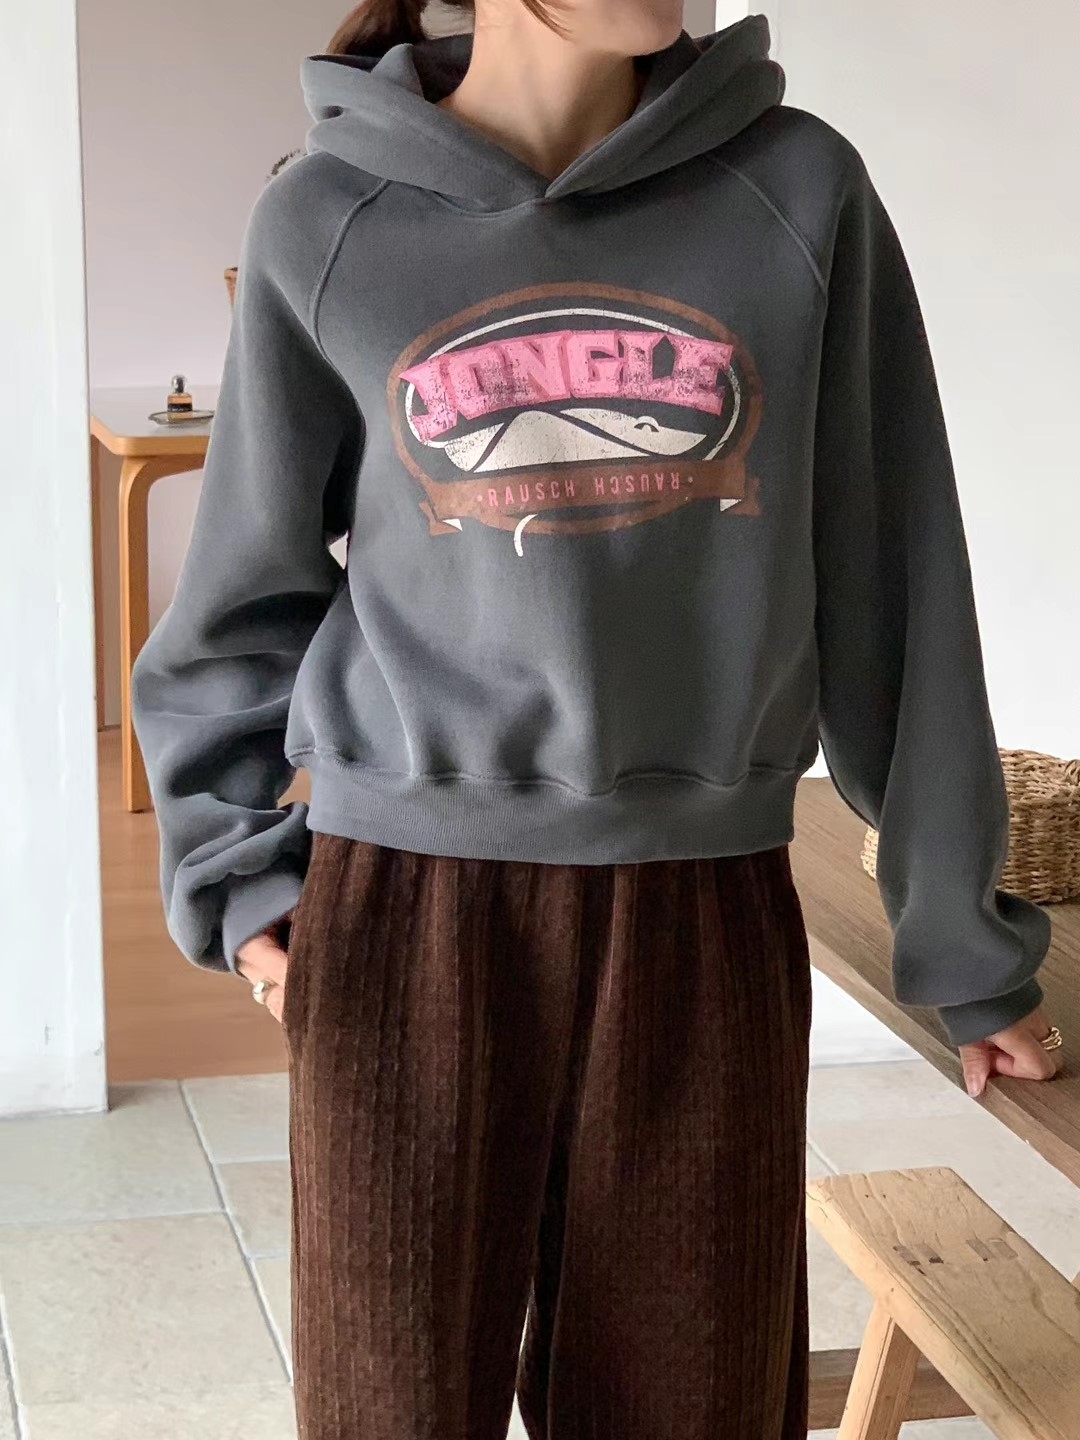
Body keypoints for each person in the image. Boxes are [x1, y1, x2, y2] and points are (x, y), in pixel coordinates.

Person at [131, 2, 1063, 1435]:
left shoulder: (798, 189)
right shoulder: (327, 215)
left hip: (702, 908)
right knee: (390, 1409)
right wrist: (236, 882)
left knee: (692, 1404)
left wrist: (966, 942)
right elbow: (241, 597)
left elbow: (895, 581)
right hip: (404, 909)